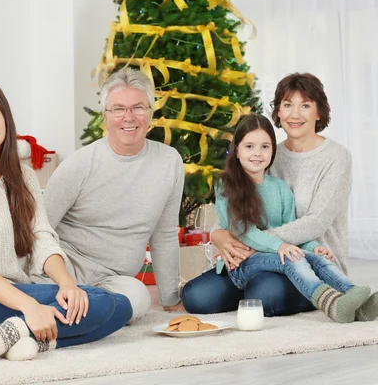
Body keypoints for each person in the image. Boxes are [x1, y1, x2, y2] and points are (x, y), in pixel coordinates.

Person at [0, 82, 132, 368]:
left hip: (12, 296)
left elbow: (42, 239)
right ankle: (19, 331)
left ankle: (8, 338)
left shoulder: (23, 176)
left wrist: (67, 284)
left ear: (6, 120)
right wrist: (30, 306)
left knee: (120, 306)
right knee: (101, 303)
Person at [183, 73, 378, 321]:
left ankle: (341, 298)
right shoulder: (267, 156)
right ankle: (340, 301)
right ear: (278, 113)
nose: (295, 114)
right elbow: (235, 209)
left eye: (305, 105)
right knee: (197, 296)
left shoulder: (336, 158)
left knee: (263, 295)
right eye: (287, 105)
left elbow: (315, 222)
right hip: (263, 256)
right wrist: (217, 234)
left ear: (319, 112)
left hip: (310, 257)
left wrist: (254, 244)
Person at [41, 67, 184, 323]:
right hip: (63, 270)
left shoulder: (169, 162)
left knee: (138, 299)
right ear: (105, 117)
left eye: (138, 108)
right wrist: (62, 280)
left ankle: (68, 313)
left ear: (151, 114)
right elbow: (39, 229)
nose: (129, 117)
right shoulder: (79, 164)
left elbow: (164, 234)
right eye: (118, 109)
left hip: (113, 281)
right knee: (53, 294)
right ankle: (69, 309)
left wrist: (170, 300)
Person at [213, 113, 371, 323]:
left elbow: (292, 230)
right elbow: (245, 233)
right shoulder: (225, 185)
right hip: (242, 263)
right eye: (249, 146)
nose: (257, 154)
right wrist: (280, 247)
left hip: (272, 258)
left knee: (317, 258)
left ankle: (357, 298)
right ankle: (331, 303)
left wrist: (313, 247)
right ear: (237, 151)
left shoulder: (279, 187)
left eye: (265, 147)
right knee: (292, 258)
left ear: (273, 151)